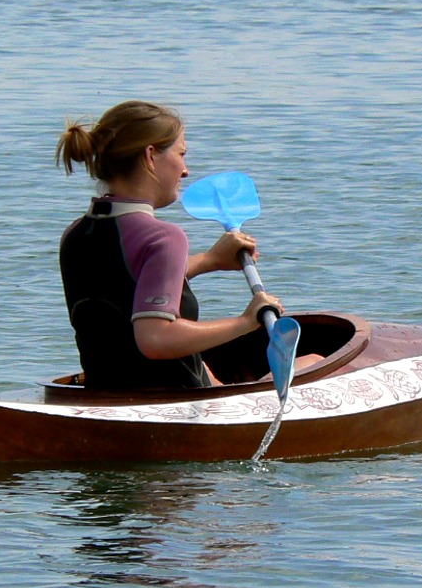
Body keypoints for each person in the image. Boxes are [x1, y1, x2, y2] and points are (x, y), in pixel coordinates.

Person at [55, 100, 284, 389]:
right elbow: (155, 339)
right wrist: (246, 321)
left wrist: (209, 260)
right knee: (315, 359)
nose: (186, 170)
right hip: (175, 402)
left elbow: (125, 286)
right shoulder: (164, 237)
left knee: (209, 368)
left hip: (102, 395)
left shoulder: (75, 234)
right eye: (181, 154)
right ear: (150, 156)